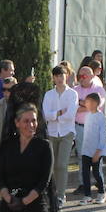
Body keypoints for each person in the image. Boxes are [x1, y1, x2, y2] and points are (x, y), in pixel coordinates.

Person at [43, 66, 78, 204]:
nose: (58, 78)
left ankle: (61, 195)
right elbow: (46, 115)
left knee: (62, 164)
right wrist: (58, 113)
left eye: (61, 75)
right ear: (53, 78)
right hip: (52, 133)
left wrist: (55, 115)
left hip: (67, 132)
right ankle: (51, 192)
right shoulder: (49, 94)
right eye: (56, 76)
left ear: (67, 76)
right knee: (51, 165)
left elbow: (70, 115)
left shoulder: (72, 94)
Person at [76, 90, 106, 204]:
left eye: (88, 102)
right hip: (86, 149)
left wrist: (98, 151)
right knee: (85, 172)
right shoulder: (88, 115)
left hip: (96, 151)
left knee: (96, 172)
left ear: (95, 103)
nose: (85, 104)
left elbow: (103, 136)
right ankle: (87, 195)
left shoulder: (101, 117)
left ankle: (102, 192)